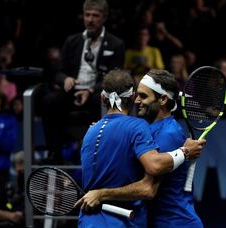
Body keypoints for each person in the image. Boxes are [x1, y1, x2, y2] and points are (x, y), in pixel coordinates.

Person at [74, 69, 205, 227]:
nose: (137, 101)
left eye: (143, 96)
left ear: (163, 99)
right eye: (137, 95)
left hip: (176, 222)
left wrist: (102, 194)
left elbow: (148, 188)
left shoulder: (167, 133)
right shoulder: (147, 129)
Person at [40, 0, 125, 163]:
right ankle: (54, 153)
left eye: (95, 15)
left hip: (98, 94)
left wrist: (91, 90)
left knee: (102, 100)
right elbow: (59, 71)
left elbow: (115, 76)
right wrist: (65, 79)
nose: (90, 19)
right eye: (87, 15)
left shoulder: (116, 44)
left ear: (104, 18)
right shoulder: (72, 41)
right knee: (49, 101)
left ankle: (100, 155)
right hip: (72, 91)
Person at [0, 86, 22, 226]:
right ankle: (11, 216)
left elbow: (10, 146)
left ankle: (10, 216)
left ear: (1, 102)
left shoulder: (9, 121)